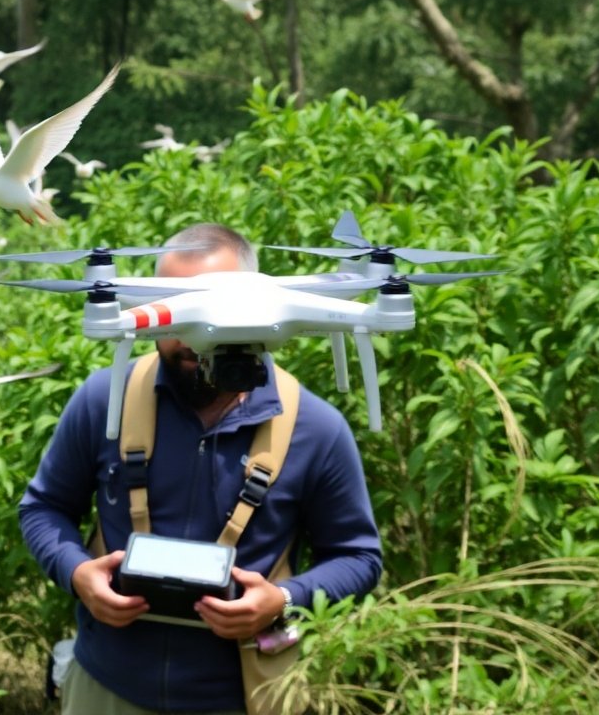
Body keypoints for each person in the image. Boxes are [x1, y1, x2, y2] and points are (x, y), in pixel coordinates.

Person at [20, 223, 383, 713]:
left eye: (212, 311)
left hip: (244, 694)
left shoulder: (315, 427)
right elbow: (43, 508)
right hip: (107, 685)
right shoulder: (107, 398)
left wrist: (283, 598)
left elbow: (359, 558)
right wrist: (76, 572)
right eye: (177, 315)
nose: (191, 338)